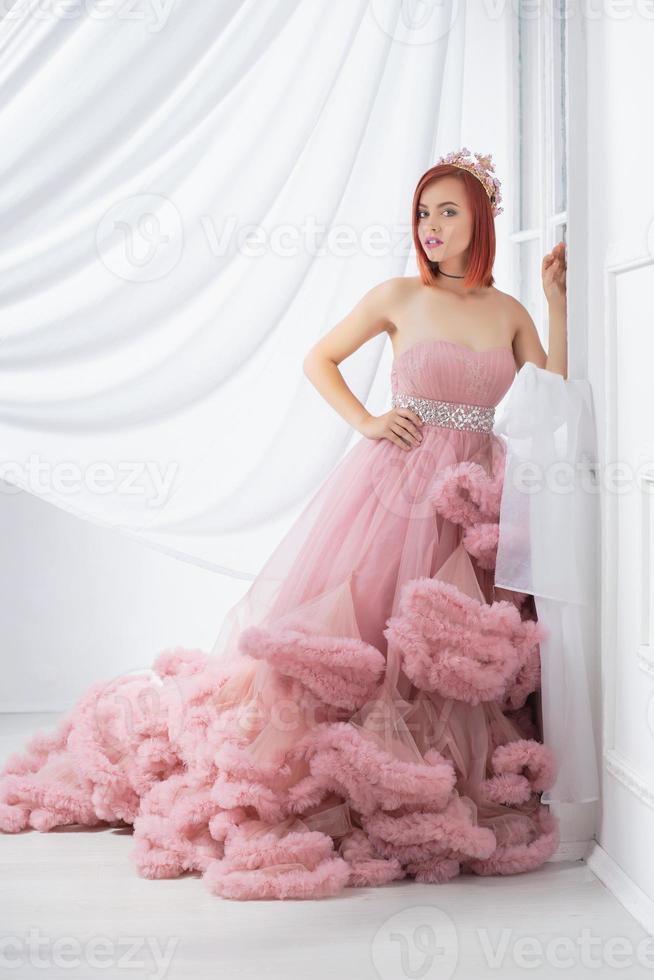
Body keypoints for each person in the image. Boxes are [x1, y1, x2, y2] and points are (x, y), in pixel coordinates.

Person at [0, 149, 568, 901]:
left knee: (453, 652)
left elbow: (550, 391)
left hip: (472, 499)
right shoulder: (398, 295)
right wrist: (368, 419)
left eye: (448, 212)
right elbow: (319, 359)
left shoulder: (509, 312)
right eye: (424, 212)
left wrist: (556, 302)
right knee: (369, 636)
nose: (431, 227)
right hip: (396, 492)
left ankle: (431, 769)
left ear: (481, 222)